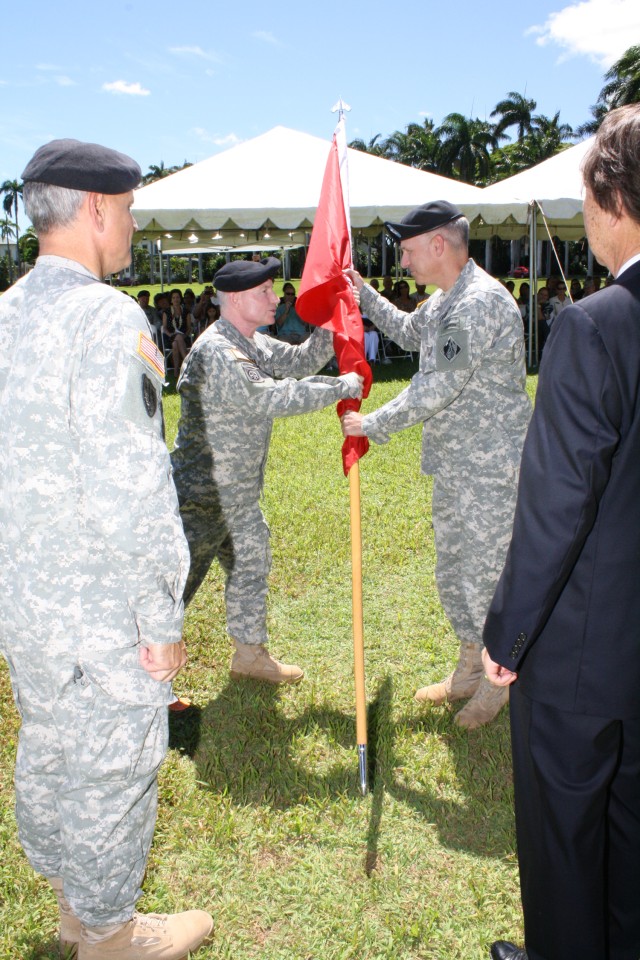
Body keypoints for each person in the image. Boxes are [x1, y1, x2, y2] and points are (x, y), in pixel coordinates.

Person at [0, 139, 213, 958]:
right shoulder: (105, 317)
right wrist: (161, 611)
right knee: (117, 770)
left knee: (54, 747)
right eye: (126, 209)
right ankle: (112, 937)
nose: (130, 225)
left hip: (28, 603)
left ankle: (72, 914)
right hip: (97, 606)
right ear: (95, 208)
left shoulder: (9, 312)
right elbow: (133, 485)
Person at [483, 104, 640, 960]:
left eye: (586, 199)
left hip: (581, 650)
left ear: (613, 197)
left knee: (565, 837)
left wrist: (509, 635)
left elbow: (556, 503)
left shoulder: (593, 324)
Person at [343, 200, 531, 729]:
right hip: (457, 464)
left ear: (438, 245)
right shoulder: (448, 299)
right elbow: (408, 331)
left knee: (488, 575)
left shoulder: (478, 304)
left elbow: (436, 387)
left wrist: (371, 424)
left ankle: (498, 681)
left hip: (488, 471)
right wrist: (364, 294)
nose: (403, 262)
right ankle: (470, 665)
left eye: (406, 252)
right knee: (455, 570)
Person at [170, 257, 363, 684]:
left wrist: (335, 319)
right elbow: (271, 398)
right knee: (169, 593)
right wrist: (342, 386)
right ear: (237, 298)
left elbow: (297, 362)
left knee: (251, 564)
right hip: (201, 498)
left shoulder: (249, 340)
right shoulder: (218, 349)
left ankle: (249, 654)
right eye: (266, 292)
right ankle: (141, 676)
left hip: (236, 495)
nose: (276, 298)